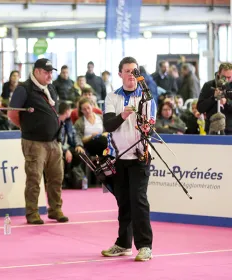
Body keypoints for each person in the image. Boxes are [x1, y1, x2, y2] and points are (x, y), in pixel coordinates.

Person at [101, 57, 156, 262]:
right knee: (123, 201)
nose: (131, 74)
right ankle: (123, 244)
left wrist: (144, 126)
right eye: (127, 71)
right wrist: (123, 115)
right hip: (118, 156)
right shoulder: (112, 97)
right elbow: (108, 124)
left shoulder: (147, 97)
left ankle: (145, 246)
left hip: (140, 156)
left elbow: (150, 125)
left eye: (134, 71)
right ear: (120, 74)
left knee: (138, 201)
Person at [8, 58, 68, 225]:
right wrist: (27, 128)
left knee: (56, 177)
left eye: (51, 72)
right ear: (36, 71)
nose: (50, 75)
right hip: (34, 141)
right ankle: (32, 212)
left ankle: (55, 209)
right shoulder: (24, 89)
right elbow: (12, 114)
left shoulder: (50, 87)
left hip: (54, 140)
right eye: (46, 72)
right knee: (34, 178)